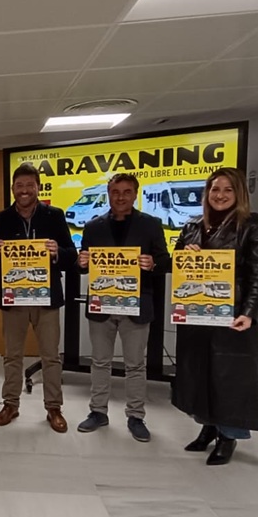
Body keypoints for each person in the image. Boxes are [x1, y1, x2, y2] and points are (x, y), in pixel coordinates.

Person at [173, 167, 258, 465]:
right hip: (197, 316)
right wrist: (186, 253)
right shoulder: (193, 225)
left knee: (228, 379)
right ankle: (208, 427)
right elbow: (176, 263)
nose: (220, 195)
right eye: (215, 189)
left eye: (228, 190)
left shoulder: (253, 225)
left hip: (232, 317)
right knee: (200, 375)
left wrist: (249, 313)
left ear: (239, 192)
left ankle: (228, 437)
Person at [76, 173, 171, 442]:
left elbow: (165, 261)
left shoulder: (151, 224)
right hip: (102, 305)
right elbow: (83, 266)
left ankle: (136, 416)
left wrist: (152, 264)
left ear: (135, 194)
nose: (120, 197)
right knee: (99, 362)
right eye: (115, 192)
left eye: (126, 192)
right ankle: (98, 412)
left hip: (136, 305)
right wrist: (81, 263)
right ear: (108, 194)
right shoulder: (93, 226)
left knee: (135, 365)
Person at [0, 163, 76, 433]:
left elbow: (71, 255)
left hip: (46, 298)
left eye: (29, 185)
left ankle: (54, 408)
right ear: (13, 188)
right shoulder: (0, 218)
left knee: (50, 356)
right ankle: (10, 404)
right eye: (19, 186)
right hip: (13, 298)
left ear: (38, 187)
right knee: (12, 355)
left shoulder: (54, 216)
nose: (24, 190)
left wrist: (57, 251)